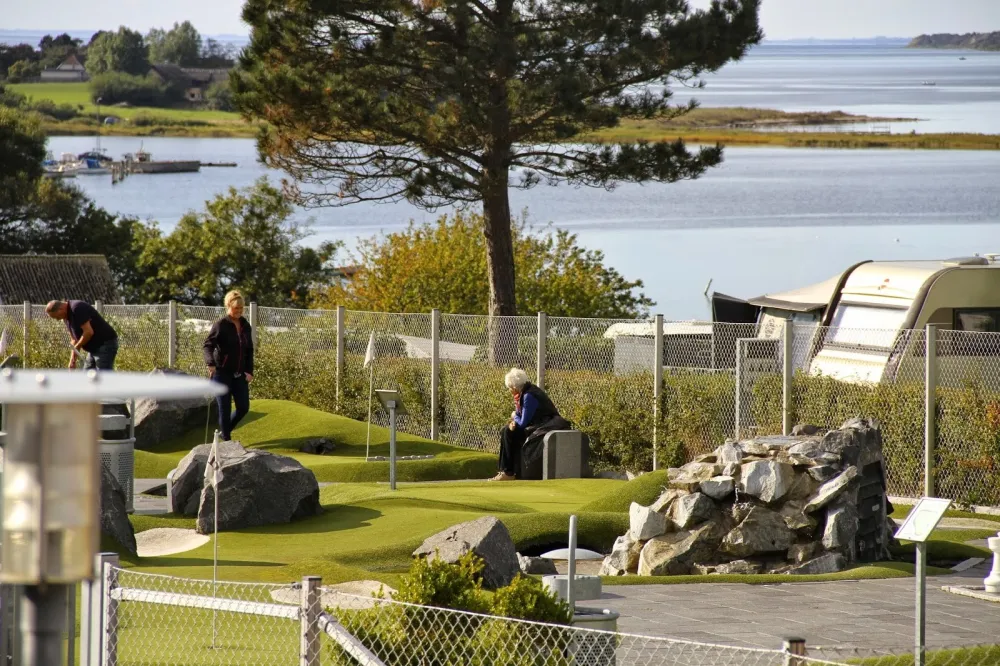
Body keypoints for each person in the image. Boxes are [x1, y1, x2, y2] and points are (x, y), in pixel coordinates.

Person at [490, 368, 570, 481]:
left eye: (509, 388)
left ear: (514, 387)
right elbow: (520, 416)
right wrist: (514, 421)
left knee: (507, 432)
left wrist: (514, 416)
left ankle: (508, 472)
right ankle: (505, 470)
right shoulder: (522, 394)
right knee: (506, 430)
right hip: (536, 424)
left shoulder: (529, 396)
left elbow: (523, 422)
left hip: (544, 426)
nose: (509, 390)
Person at [203, 290, 254, 442]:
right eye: (235, 308)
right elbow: (207, 345)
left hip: (239, 375)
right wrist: (210, 363)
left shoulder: (246, 325)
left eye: (241, 308)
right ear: (228, 307)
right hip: (221, 373)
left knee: (243, 408)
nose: (238, 311)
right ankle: (226, 440)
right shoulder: (221, 325)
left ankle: (224, 431)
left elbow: (249, 350)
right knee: (224, 409)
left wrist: (249, 371)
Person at [45, 300, 119, 371]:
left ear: (60, 309)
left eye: (56, 317)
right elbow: (74, 339)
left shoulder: (77, 308)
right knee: (87, 376)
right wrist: (72, 360)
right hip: (93, 349)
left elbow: (88, 332)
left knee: (103, 377)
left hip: (105, 344)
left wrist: (77, 346)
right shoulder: (66, 316)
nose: (57, 319)